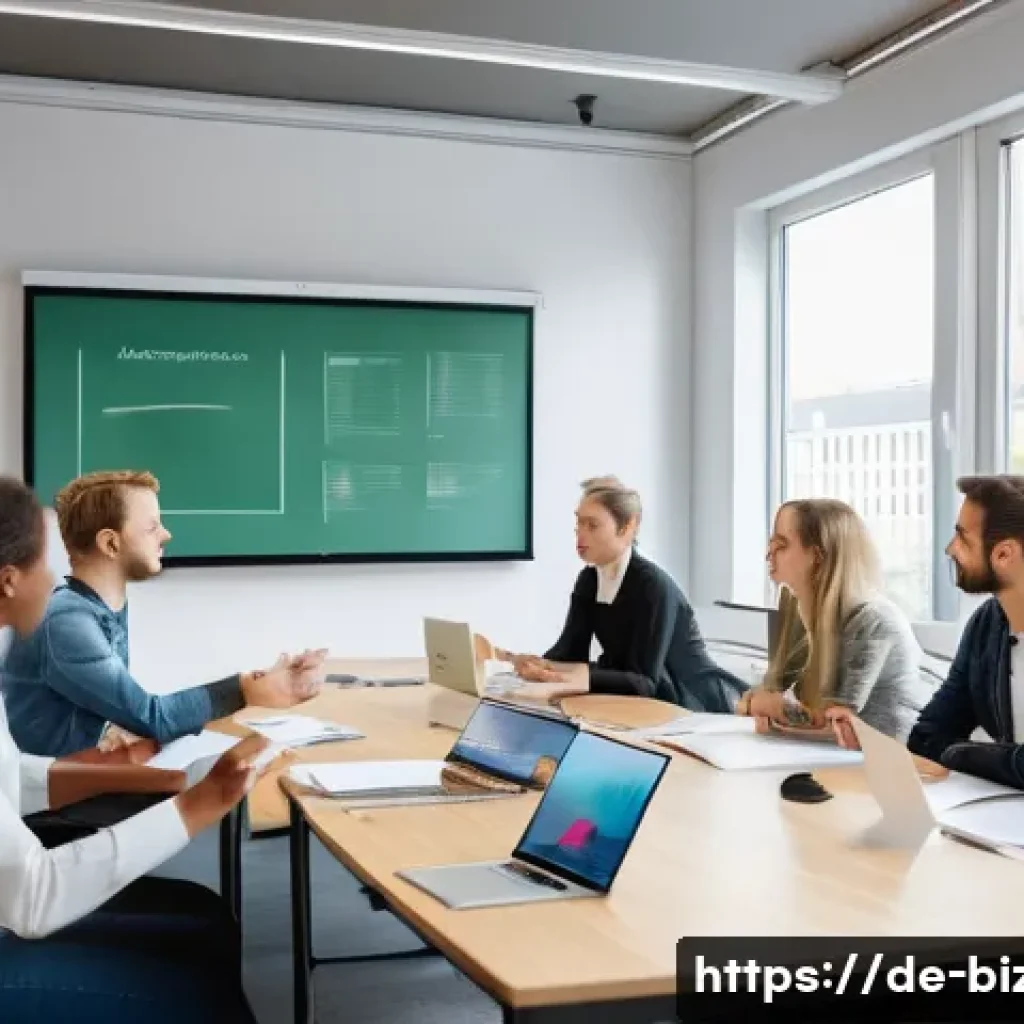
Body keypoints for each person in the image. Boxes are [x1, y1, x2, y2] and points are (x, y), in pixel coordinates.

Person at [0, 475, 263, 1022]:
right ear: (9, 581)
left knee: (208, 924)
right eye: (45, 565)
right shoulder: (65, 618)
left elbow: (12, 779)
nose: (56, 580)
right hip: (13, 913)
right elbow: (31, 898)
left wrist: (102, 767)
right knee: (200, 995)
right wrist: (200, 804)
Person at [2, 470, 326, 757]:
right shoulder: (67, 621)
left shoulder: (98, 607)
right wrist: (246, 687)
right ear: (111, 544)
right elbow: (152, 718)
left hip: (78, 775)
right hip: (52, 800)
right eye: (152, 527)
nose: (166, 535)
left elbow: (113, 709)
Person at [830, 476, 1024, 790]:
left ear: (1004, 554)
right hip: (1000, 820)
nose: (950, 549)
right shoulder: (986, 626)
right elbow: (927, 737)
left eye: (962, 538)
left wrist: (962, 755)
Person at [497, 477, 746, 711]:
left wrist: (568, 677)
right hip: (638, 701)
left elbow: (645, 680)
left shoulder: (653, 586)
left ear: (627, 527)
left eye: (592, 525)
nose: (580, 533)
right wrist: (534, 666)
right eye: (578, 522)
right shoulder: (588, 579)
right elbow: (570, 651)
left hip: (692, 701)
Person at [736, 499, 928, 741]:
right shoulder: (806, 615)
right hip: (839, 761)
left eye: (781, 546)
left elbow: (836, 724)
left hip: (892, 767)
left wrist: (768, 707)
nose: (768, 555)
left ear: (816, 556)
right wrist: (763, 705)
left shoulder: (872, 621)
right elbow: (780, 703)